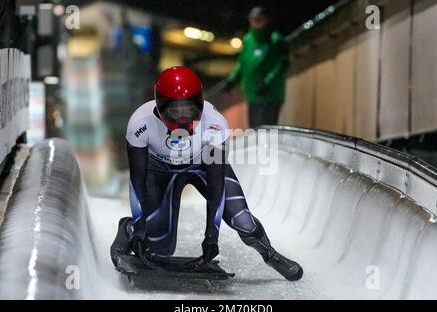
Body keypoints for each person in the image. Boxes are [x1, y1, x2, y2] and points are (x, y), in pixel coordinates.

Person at [110, 66, 303, 281]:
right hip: (160, 172)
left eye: (189, 110)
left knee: (242, 219)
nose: (184, 117)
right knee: (159, 246)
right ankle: (126, 227)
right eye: (175, 111)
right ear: (160, 105)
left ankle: (270, 254)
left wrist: (212, 235)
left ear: (200, 104)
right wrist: (138, 225)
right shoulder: (140, 123)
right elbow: (137, 179)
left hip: (202, 166)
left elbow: (216, 183)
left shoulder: (214, 124)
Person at [224, 6, 289, 128]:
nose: (255, 22)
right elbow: (242, 63)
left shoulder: (275, 40)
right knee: (254, 130)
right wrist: (232, 80)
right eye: (253, 19)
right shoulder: (249, 39)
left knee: (268, 130)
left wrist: (268, 82)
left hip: (270, 95)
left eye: (259, 19)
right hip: (252, 94)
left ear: (267, 20)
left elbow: (282, 64)